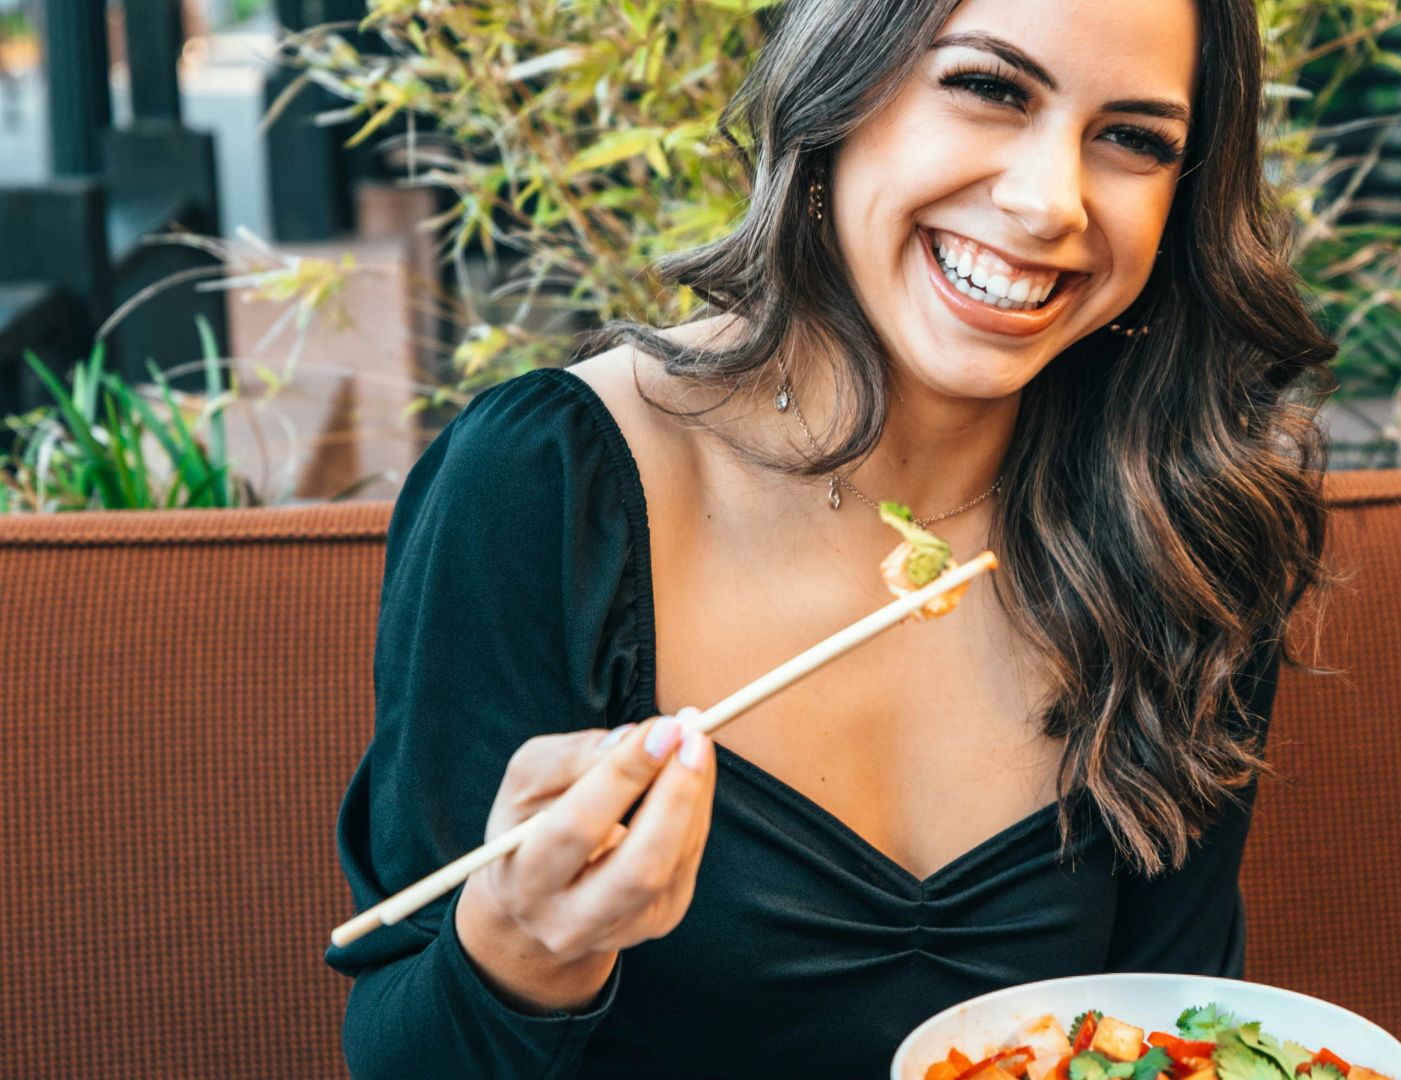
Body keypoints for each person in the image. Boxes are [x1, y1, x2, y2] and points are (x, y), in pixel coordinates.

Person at [325, 0, 1337, 1076]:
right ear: (836, 89)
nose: (1049, 203)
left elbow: (1174, 1029)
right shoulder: (545, 483)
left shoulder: (1188, 534)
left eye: (1134, 139)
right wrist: (523, 952)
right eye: (990, 88)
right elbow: (403, 1057)